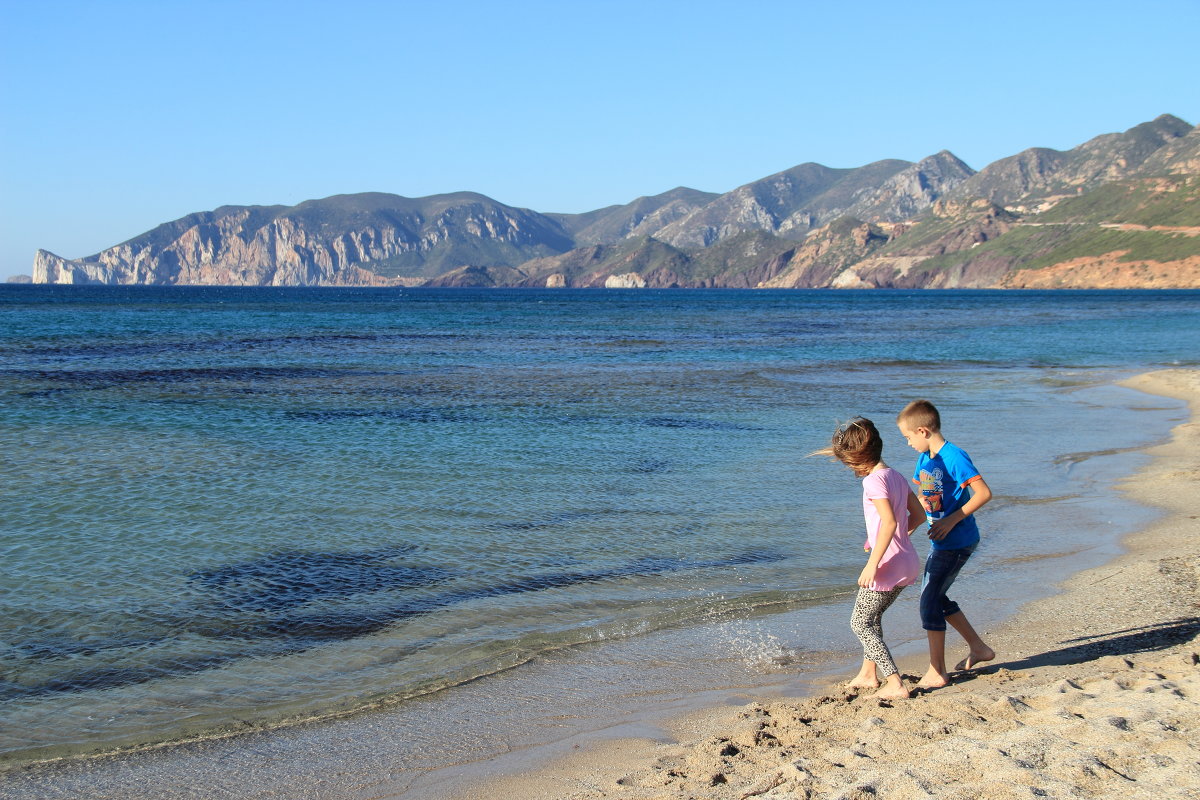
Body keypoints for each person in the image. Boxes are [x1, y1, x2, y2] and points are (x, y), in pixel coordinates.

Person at [818, 416, 924, 700]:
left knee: (860, 623)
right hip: (907, 561)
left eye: (848, 463)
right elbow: (919, 515)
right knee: (873, 618)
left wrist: (873, 562)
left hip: (886, 567)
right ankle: (868, 674)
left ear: (857, 457)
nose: (849, 468)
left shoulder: (874, 482)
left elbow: (889, 522)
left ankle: (895, 682)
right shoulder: (895, 475)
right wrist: (891, 540)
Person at [896, 399, 996, 689]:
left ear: (923, 431)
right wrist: (909, 525)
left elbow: (983, 493)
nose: (908, 443)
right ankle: (979, 648)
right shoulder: (925, 458)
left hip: (958, 540)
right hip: (940, 541)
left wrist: (950, 520)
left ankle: (937, 671)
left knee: (928, 601)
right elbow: (922, 495)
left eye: (908, 437)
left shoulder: (954, 457)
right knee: (936, 597)